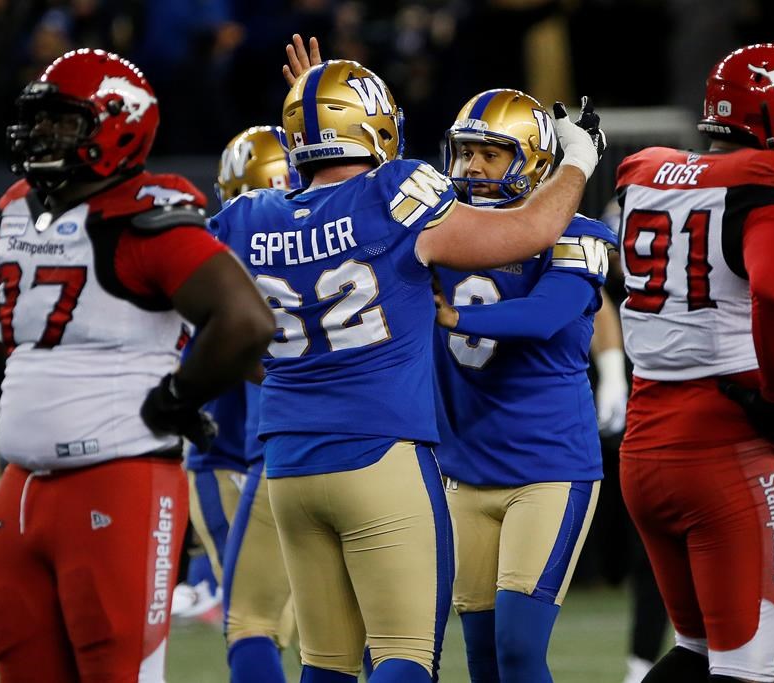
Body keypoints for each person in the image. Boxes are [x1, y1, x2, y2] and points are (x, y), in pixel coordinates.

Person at [211, 43, 605, 681]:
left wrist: (308, 115)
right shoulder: (396, 194)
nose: (472, 165)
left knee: (327, 663)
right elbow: (529, 232)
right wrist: (580, 158)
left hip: (287, 460)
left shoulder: (247, 217)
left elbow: (225, 326)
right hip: (382, 453)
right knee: (403, 655)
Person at [0, 48, 274, 683]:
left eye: (62, 122)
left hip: (119, 477)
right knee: (21, 664)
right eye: (40, 121)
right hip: (20, 485)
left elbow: (246, 321)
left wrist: (179, 398)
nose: (41, 136)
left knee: (116, 670)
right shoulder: (21, 212)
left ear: (117, 125)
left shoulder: (149, 221)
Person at [614, 43, 774, 683]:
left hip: (646, 444)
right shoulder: (771, 183)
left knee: (693, 653)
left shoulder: (646, 171)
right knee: (746, 667)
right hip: (727, 446)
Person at [430, 87, 615, 683]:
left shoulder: (579, 233)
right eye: (465, 153)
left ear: (534, 160)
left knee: (517, 648)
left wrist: (458, 317)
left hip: (547, 469)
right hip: (464, 467)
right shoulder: (440, 232)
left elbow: (542, 316)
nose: (473, 168)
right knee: (481, 658)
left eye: (492, 154)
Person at [187, 125, 299, 683]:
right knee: (298, 622)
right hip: (244, 453)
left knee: (256, 621)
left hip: (249, 455)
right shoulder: (327, 242)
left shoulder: (216, 255)